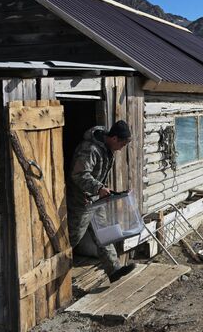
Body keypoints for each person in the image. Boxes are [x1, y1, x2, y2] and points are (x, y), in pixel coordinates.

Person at [67, 120, 135, 283]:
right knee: (71, 238)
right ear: (114, 138)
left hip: (95, 198)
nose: (122, 148)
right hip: (81, 200)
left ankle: (114, 270)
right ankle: (55, 275)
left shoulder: (106, 147)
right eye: (122, 144)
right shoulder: (89, 149)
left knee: (104, 233)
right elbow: (79, 175)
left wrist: (103, 190)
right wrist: (98, 188)